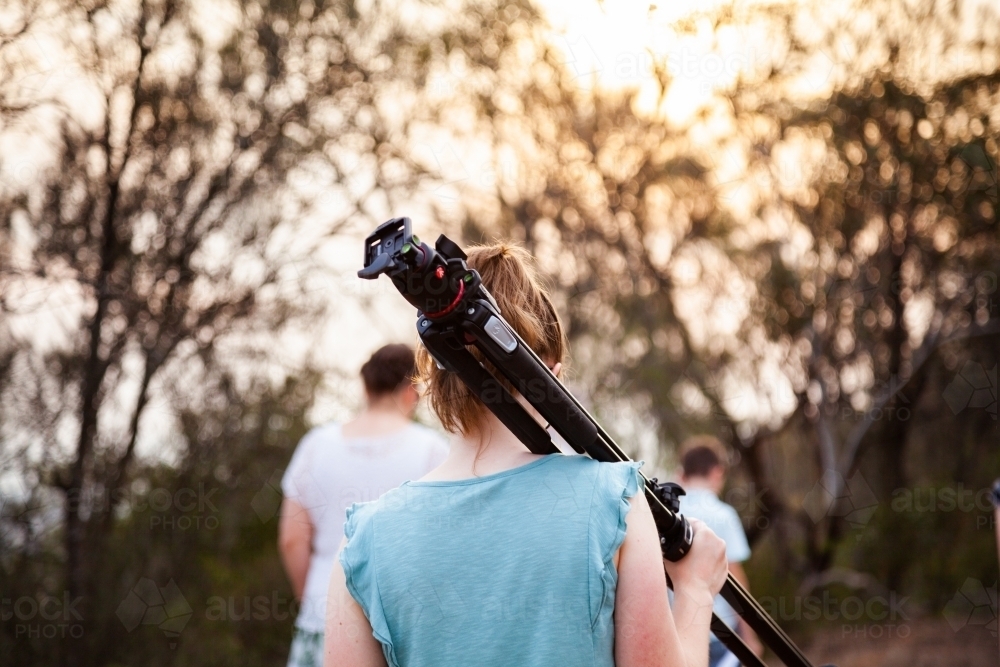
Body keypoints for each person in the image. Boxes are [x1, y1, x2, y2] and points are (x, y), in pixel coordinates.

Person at [324, 242, 729, 667]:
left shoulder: (362, 545)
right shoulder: (614, 501)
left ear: (435, 380)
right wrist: (696, 591)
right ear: (549, 373)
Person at [279, 343, 448, 667]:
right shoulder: (432, 451)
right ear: (411, 390)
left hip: (323, 613)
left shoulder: (316, 445)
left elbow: (291, 539)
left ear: (365, 388)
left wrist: (312, 598)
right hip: (401, 627)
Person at [676, 435, 764, 667]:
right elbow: (735, 578)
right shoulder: (723, 515)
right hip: (720, 635)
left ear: (683, 472)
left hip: (676, 633)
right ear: (717, 472)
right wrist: (750, 636)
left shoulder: (667, 515)